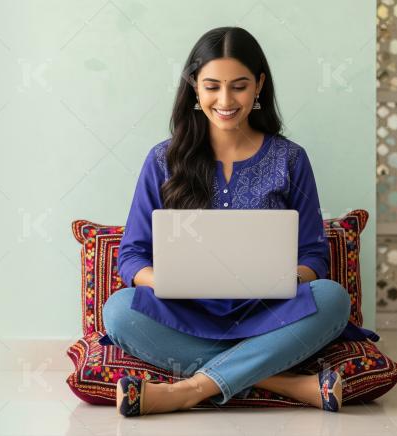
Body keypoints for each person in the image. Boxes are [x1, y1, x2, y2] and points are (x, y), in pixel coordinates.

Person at [102, 26, 379, 417]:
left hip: (269, 311)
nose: (225, 100)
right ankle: (283, 383)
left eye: (239, 86)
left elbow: (315, 255)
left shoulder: (290, 159)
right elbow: (132, 255)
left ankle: (187, 390)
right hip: (186, 312)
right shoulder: (163, 160)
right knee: (118, 311)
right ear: (194, 88)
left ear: (259, 86)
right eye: (212, 86)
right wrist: (160, 280)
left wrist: (283, 280)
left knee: (333, 300)